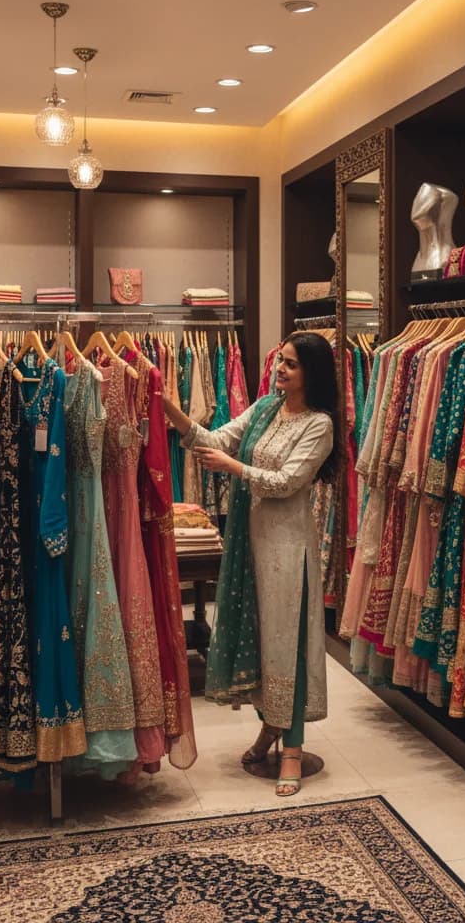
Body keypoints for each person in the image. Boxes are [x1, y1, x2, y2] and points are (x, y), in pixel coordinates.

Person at [164, 332, 339, 796]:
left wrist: (233, 468)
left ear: (312, 373)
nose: (280, 369)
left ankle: (293, 748)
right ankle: (269, 727)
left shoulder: (319, 425)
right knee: (258, 640)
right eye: (281, 361)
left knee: (286, 645)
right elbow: (214, 438)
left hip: (287, 551)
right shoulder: (264, 408)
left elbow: (287, 481)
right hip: (250, 542)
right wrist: (166, 405)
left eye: (292, 364)